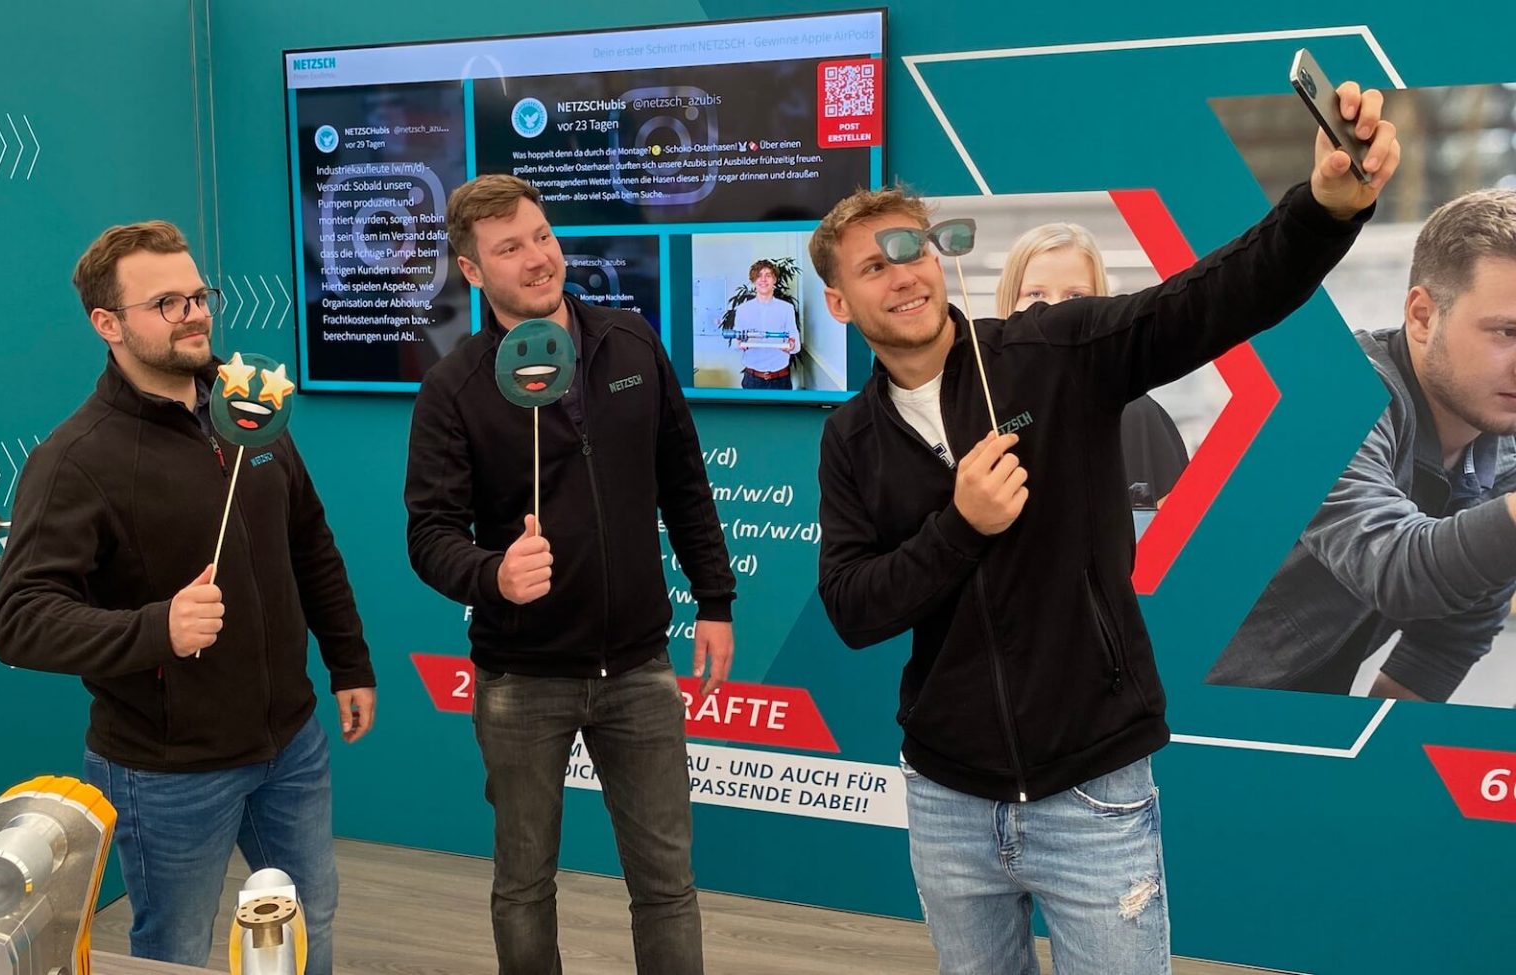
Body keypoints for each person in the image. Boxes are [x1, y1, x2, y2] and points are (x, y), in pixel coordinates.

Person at [811, 83, 1398, 973]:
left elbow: (1211, 299)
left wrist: (1321, 210)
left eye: (914, 249)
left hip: (1093, 791)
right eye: (875, 265)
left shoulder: (1052, 354)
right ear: (840, 304)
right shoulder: (850, 435)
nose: (905, 273)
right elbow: (853, 607)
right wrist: (960, 527)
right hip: (946, 798)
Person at [0, 220, 376, 974]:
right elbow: (20, 620)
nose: (196, 313)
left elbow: (310, 542)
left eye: (199, 295)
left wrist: (349, 662)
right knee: (176, 954)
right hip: (165, 772)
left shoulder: (251, 406)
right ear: (108, 324)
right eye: (167, 302)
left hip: (291, 745)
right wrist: (156, 627)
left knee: (307, 927)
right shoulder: (74, 458)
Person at [403, 174, 735, 975]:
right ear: (474, 272)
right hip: (522, 677)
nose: (536, 258)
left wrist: (715, 599)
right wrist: (493, 574)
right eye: (509, 248)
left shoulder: (630, 343)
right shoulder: (453, 388)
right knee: (524, 885)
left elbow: (683, 478)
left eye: (541, 236)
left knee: (666, 884)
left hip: (638, 667)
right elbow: (430, 534)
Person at [1208, 188, 1516, 702]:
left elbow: (1449, 639)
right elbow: (1394, 564)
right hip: (1164, 721)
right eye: (1507, 331)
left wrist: (1368, 768)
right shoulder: (1334, 397)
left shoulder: (1503, 443)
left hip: (1296, 722)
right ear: (1421, 316)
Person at [996, 222, 1190, 506]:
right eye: (1035, 294)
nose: (1055, 310)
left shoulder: (1137, 415)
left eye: (1076, 296)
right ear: (1009, 302)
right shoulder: (981, 412)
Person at [734, 259, 802, 389]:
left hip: (781, 379)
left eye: (768, 275)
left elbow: (796, 343)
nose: (763, 279)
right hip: (752, 380)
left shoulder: (787, 308)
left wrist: (792, 344)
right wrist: (739, 343)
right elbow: (734, 343)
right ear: (753, 281)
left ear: (774, 280)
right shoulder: (743, 310)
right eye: (759, 276)